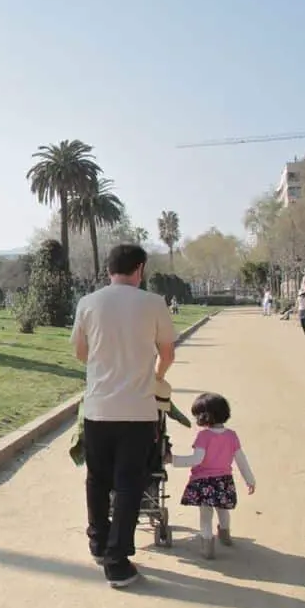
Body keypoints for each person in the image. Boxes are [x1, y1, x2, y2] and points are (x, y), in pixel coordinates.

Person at [70, 243, 176, 588]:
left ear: (108, 270)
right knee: (129, 483)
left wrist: (105, 370)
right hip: (138, 410)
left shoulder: (88, 303)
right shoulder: (153, 304)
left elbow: (80, 353)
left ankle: (98, 542)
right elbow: (167, 352)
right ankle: (117, 561)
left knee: (97, 479)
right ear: (140, 269)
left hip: (99, 407)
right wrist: (155, 376)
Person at [169, 393, 255, 560]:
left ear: (204, 416)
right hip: (224, 481)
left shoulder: (204, 436)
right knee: (223, 510)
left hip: (204, 482)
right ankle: (225, 534)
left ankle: (207, 546)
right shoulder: (231, 435)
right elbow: (241, 459)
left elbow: (196, 459)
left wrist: (172, 460)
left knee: (206, 515)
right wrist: (249, 479)